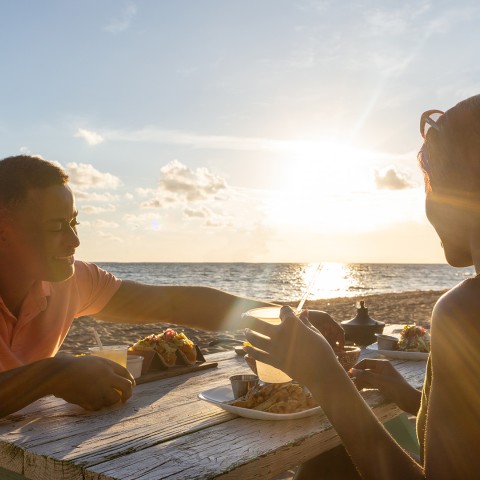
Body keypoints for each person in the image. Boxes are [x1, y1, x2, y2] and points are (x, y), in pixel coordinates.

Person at [0, 154, 344, 418]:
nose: (74, 240)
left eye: (74, 222)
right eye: (56, 226)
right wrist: (53, 373)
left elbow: (173, 303)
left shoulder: (72, 282)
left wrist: (284, 315)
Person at [245, 94, 480, 479]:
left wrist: (326, 379)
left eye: (431, 183)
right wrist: (415, 400)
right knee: (330, 460)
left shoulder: (465, 311)